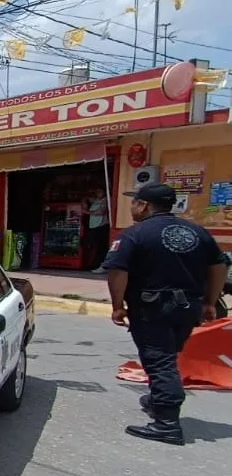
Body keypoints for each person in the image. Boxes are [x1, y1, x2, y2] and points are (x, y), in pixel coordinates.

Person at [103, 182, 228, 445]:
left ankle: (167, 423)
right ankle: (157, 399)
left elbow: (117, 270)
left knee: (160, 361)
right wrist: (210, 302)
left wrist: (117, 306)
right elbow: (219, 265)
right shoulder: (197, 231)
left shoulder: (134, 234)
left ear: (144, 205)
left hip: (153, 307)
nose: (132, 206)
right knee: (168, 355)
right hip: (188, 308)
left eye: (134, 202)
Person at [87, 189, 111, 273]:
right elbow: (86, 198)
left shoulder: (105, 200)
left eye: (100, 191)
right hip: (94, 226)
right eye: (96, 192)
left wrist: (87, 212)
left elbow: (100, 212)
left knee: (102, 246)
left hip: (102, 225)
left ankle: (103, 265)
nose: (98, 193)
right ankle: (96, 264)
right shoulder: (96, 200)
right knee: (96, 245)